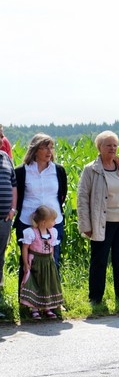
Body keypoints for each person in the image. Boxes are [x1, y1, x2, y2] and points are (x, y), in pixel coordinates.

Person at [77, 131, 119, 304]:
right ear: (99, 147)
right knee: (99, 261)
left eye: (115, 145)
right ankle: (95, 298)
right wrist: (85, 225)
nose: (112, 148)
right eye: (108, 145)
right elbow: (82, 198)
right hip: (101, 222)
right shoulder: (91, 170)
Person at [14, 134, 68, 291]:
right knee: (27, 261)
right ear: (35, 150)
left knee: (53, 261)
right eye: (45, 147)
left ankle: (52, 301)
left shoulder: (58, 170)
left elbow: (62, 195)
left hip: (53, 224)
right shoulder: (21, 171)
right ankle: (26, 300)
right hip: (27, 222)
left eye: (51, 147)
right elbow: (17, 197)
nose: (49, 151)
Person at [19, 205, 64, 319]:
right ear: (44, 222)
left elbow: (52, 248)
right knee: (36, 284)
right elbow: (25, 248)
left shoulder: (52, 232)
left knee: (47, 284)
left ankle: (47, 308)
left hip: (48, 262)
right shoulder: (31, 232)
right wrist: (26, 263)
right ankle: (35, 308)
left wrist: (52, 260)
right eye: (53, 220)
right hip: (36, 261)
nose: (55, 222)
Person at [0, 148, 16, 290]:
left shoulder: (5, 157)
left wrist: (12, 209)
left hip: (4, 220)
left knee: (0, 257)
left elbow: (14, 184)